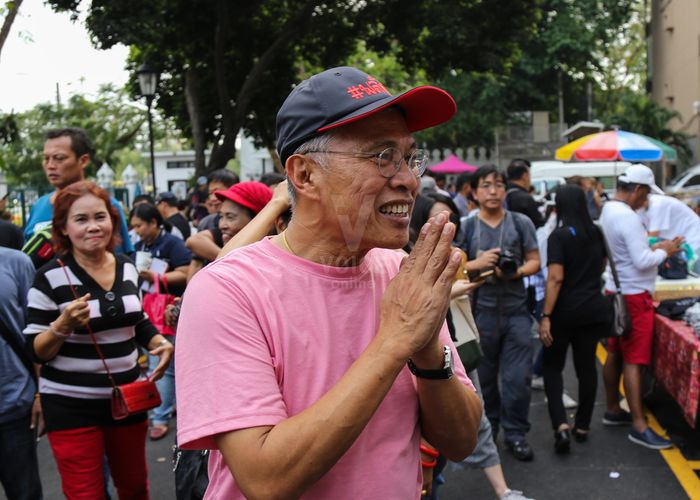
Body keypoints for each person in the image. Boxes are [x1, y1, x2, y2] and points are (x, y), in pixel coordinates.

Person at [176, 66, 481, 499]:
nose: (409, 180)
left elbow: (462, 440)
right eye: (381, 157)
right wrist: (395, 340)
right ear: (303, 175)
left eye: (409, 158)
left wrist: (428, 351)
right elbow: (265, 479)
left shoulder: (399, 270)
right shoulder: (227, 291)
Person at [23, 181, 173, 498]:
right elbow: (36, 350)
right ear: (63, 227)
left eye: (100, 217)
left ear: (112, 221)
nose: (93, 227)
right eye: (81, 219)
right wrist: (61, 325)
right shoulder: (49, 276)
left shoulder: (128, 267)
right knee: (85, 493)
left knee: (134, 487)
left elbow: (137, 318)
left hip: (128, 398)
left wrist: (159, 342)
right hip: (69, 405)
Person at [409, 194, 533, 500]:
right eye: (437, 219)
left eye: (450, 219)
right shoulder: (403, 259)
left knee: (474, 421)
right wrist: (454, 289)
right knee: (422, 434)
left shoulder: (453, 254)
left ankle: (503, 490)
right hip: (423, 355)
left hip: (455, 344)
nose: (445, 226)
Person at [460, 164, 541, 461]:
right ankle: (489, 428)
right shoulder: (468, 226)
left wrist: (516, 272)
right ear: (474, 192)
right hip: (481, 311)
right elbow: (455, 268)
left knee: (518, 378)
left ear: (505, 190)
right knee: (484, 378)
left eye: (498, 185)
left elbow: (535, 260)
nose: (493, 191)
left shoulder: (520, 223)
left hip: (517, 311)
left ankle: (516, 433)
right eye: (486, 186)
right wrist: (477, 264)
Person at [600, 164, 682, 450]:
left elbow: (628, 251)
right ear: (637, 190)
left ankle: (613, 408)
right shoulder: (628, 217)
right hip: (635, 297)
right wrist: (665, 250)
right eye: (646, 195)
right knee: (635, 361)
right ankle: (639, 425)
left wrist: (654, 246)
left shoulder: (609, 209)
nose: (646, 202)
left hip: (616, 291)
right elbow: (642, 261)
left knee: (615, 352)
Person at [538, 184, 611, 453]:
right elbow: (602, 266)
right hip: (592, 309)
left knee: (552, 368)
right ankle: (583, 425)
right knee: (586, 368)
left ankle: (561, 426)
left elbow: (555, 278)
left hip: (564, 312)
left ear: (559, 205)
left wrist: (545, 315)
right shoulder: (596, 232)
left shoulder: (559, 237)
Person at [130, 203, 191, 441]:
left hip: (167, 310)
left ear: (154, 223)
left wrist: (157, 277)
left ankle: (159, 418)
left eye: (139, 226)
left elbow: (187, 272)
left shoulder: (172, 244)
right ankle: (170, 406)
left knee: (162, 364)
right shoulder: (140, 245)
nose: (136, 231)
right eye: (133, 227)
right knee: (167, 363)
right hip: (148, 308)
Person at [23, 128, 133, 254]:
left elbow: (121, 262)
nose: (51, 165)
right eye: (46, 158)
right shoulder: (38, 206)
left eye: (59, 158)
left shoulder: (106, 205)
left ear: (83, 160)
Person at [0, 246, 43, 500]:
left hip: (13, 405)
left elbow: (35, 331)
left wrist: (41, 393)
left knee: (25, 493)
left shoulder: (15, 262)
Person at [184, 181, 273, 274]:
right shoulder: (226, 236)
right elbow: (193, 241)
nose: (222, 225)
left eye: (230, 217)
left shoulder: (272, 266)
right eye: (221, 216)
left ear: (259, 219)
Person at [641, 193, 700, 273]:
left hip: (693, 241)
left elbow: (652, 237)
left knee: (696, 275)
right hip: (679, 244)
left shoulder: (658, 204)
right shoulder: (641, 208)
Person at [505, 158, 544, 228]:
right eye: (529, 175)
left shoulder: (502, 194)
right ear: (525, 176)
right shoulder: (526, 199)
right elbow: (538, 224)